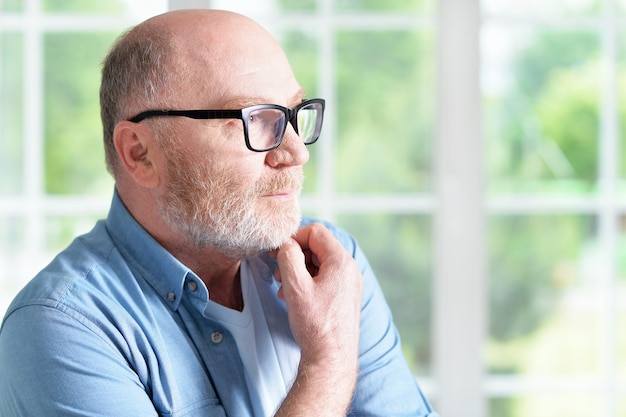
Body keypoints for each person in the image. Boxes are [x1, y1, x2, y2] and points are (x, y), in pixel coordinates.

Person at [0, 9, 437, 417]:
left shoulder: (333, 266)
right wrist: (328, 361)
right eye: (255, 119)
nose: (295, 152)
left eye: (292, 114)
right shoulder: (60, 328)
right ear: (140, 154)